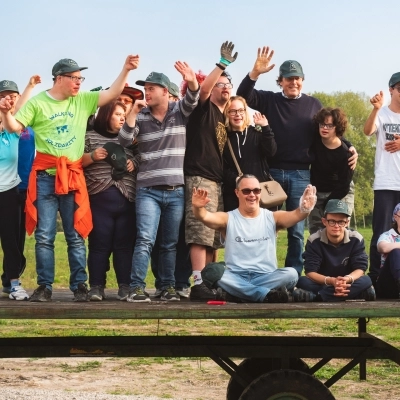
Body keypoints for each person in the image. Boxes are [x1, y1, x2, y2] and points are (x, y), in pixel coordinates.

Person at [0, 55, 140, 302]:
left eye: (80, 78)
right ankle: (44, 287)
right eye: (74, 78)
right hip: (45, 176)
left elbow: (111, 94)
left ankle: (79, 286)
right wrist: (5, 113)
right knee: (44, 236)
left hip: (72, 176)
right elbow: (14, 127)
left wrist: (126, 70)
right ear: (59, 78)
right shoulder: (39, 103)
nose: (78, 83)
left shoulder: (83, 100)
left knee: (75, 234)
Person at [236, 46, 358, 276]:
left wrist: (349, 145)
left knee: (296, 229)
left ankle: (293, 275)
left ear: (303, 80)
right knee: (265, 224)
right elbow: (242, 95)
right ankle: (262, 271)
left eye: (297, 78)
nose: (293, 83)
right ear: (280, 81)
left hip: (301, 174)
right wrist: (254, 72)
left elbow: (330, 128)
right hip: (271, 173)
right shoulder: (268, 100)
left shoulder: (313, 104)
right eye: (288, 79)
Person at [118, 62, 200, 302]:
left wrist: (191, 79)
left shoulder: (179, 111)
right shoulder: (140, 116)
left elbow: (193, 98)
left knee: (169, 244)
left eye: (153, 88)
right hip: (148, 191)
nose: (148, 92)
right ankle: (136, 287)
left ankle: (167, 287)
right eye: (146, 88)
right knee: (145, 239)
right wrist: (132, 112)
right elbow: (123, 142)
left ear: (166, 91)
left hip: (175, 191)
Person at [192, 174, 317, 303]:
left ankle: (240, 294)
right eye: (246, 191)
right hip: (235, 277)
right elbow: (205, 217)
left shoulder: (272, 217)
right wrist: (198, 208)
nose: (252, 195)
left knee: (291, 274)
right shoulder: (228, 218)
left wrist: (305, 208)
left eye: (256, 191)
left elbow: (296, 215)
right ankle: (266, 295)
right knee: (213, 272)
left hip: (266, 277)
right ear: (237, 192)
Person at [183, 41, 238, 301]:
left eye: (229, 85)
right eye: (221, 85)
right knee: (199, 233)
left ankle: (209, 281)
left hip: (216, 182)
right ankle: (197, 282)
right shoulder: (202, 109)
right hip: (199, 176)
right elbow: (202, 90)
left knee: (214, 238)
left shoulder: (223, 116)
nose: (226, 88)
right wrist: (222, 65)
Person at [83, 101, 139, 301]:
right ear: (106, 115)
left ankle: (125, 286)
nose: (122, 118)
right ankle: (96, 287)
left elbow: (143, 156)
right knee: (99, 244)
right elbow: (77, 161)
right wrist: (92, 156)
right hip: (99, 200)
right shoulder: (89, 136)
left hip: (127, 200)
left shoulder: (130, 139)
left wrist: (135, 162)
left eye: (124, 114)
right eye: (117, 114)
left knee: (124, 246)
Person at [0, 76, 40, 298]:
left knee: (12, 239)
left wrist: (30, 87)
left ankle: (13, 282)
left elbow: (16, 110)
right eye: (3, 97)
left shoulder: (16, 127)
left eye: (12, 97)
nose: (8, 100)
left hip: (11, 190)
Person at [293, 199, 375, 302]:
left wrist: (346, 279)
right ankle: (356, 294)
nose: (336, 226)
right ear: (324, 222)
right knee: (302, 281)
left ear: (347, 223)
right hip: (324, 281)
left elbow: (360, 269)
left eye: (340, 222)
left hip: (347, 281)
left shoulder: (356, 238)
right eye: (332, 221)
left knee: (366, 280)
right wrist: (332, 281)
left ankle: (318, 296)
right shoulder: (314, 240)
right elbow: (310, 272)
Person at [364, 72, 400, 288]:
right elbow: (368, 131)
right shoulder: (383, 114)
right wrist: (376, 109)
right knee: (380, 230)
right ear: (391, 90)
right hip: (386, 182)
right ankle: (376, 276)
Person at [222, 95, 277, 211]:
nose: (237, 114)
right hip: (234, 195)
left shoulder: (257, 134)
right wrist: (236, 179)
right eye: (232, 111)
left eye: (241, 110)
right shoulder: (223, 139)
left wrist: (266, 127)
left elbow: (271, 152)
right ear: (227, 114)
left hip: (260, 193)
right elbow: (221, 167)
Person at [308, 107, 355, 234]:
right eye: (322, 124)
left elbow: (344, 186)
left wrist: (328, 206)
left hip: (340, 192)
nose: (325, 128)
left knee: (338, 231)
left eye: (330, 125)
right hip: (317, 191)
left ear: (337, 128)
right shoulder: (315, 140)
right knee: (316, 232)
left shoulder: (346, 154)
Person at [375, 203, 400, 299]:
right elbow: (383, 248)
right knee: (395, 252)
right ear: (395, 217)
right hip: (388, 284)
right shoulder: (387, 235)